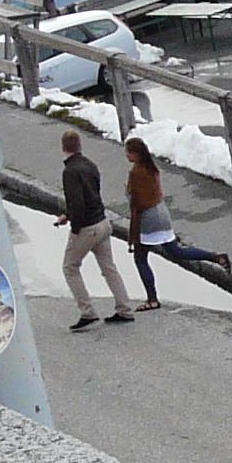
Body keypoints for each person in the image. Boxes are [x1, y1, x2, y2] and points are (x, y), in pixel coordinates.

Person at [123, 137, 230, 310]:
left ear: (135, 154)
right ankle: (215, 257)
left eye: (128, 152)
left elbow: (138, 202)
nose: (126, 156)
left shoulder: (136, 172)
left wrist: (129, 198)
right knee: (176, 251)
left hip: (148, 219)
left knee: (140, 258)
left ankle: (152, 299)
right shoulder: (152, 168)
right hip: (162, 213)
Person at [55, 130, 133, 330]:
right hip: (103, 223)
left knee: (70, 267)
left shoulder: (69, 172)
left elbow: (78, 203)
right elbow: (91, 196)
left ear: (63, 148)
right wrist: (68, 214)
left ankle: (87, 312)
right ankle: (124, 308)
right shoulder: (90, 165)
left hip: (87, 228)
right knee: (109, 268)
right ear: (80, 145)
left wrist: (74, 228)